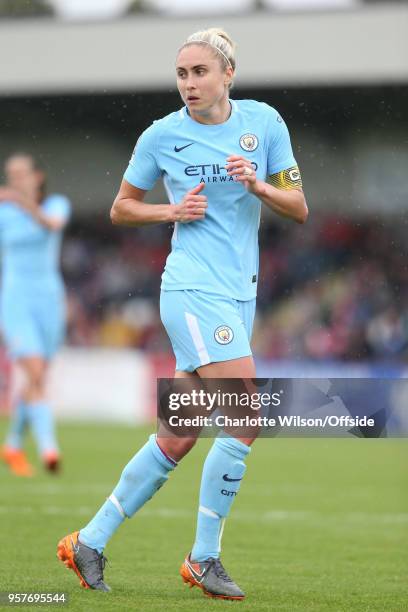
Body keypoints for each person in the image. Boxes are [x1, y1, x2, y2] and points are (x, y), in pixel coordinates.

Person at [57, 27, 308, 600]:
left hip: (239, 295)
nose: (189, 84)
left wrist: (260, 187)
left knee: (179, 435)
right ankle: (203, 558)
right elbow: (122, 208)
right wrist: (171, 210)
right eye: (182, 74)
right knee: (246, 415)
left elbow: (299, 206)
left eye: (200, 72)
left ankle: (88, 541)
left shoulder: (264, 124)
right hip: (193, 292)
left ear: (228, 76)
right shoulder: (161, 136)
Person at [0, 153, 71, 476]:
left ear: (37, 176)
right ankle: (48, 449)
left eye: (21, 174)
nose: (15, 181)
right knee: (35, 369)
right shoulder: (3, 213)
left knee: (38, 376)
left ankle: (12, 444)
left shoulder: (56, 204)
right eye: (10, 175)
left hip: (50, 299)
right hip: (15, 300)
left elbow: (51, 225)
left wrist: (21, 202)